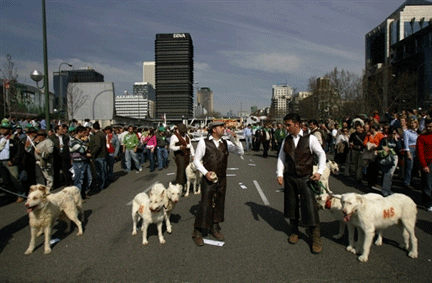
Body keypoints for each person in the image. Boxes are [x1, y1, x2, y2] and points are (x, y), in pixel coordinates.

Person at [276, 113, 326, 254]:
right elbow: (281, 157)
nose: (287, 128)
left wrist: (320, 171)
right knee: (291, 206)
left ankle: (316, 238)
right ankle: (294, 231)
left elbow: (321, 154)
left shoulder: (310, 139)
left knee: (310, 207)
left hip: (306, 178)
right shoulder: (286, 140)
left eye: (289, 125)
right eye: (286, 125)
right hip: (290, 177)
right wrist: (279, 173)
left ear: (297, 124)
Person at [192, 121, 244, 246]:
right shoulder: (203, 142)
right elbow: (196, 160)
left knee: (219, 202)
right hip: (208, 178)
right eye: (222, 127)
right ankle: (197, 231)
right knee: (205, 203)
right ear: (214, 129)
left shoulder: (225, 143)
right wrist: (206, 173)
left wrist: (236, 140)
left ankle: (214, 227)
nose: (224, 129)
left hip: (222, 177)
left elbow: (240, 152)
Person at [0, 120, 25, 202]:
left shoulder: (14, 139)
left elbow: (20, 151)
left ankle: (21, 194)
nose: (2, 130)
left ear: (9, 130)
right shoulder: (0, 139)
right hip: (1, 162)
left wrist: (13, 161)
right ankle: (10, 195)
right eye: (1, 128)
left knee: (15, 179)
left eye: (5, 128)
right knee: (6, 180)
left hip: (10, 162)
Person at [70, 126, 93, 199]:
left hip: (85, 161)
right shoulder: (73, 141)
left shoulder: (81, 141)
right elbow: (82, 150)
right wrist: (85, 142)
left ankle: (83, 193)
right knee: (79, 180)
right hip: (78, 162)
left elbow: (86, 149)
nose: (85, 134)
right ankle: (78, 197)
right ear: (79, 132)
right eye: (84, 132)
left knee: (88, 178)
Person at [416, 118, 432, 212]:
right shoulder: (421, 137)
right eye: (428, 126)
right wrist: (424, 165)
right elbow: (420, 152)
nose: (429, 128)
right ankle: (428, 203)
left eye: (431, 126)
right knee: (428, 184)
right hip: (428, 163)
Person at [89, 122, 108, 189]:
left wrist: (92, 153)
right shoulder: (102, 134)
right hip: (104, 154)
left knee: (100, 171)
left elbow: (98, 145)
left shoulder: (97, 135)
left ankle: (101, 185)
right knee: (104, 170)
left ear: (93, 128)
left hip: (99, 155)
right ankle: (104, 183)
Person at [403, 119, 419, 190]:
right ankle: (406, 183)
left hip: (417, 149)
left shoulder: (416, 132)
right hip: (410, 149)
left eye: (414, 123)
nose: (413, 125)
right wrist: (408, 153)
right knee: (409, 167)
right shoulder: (407, 132)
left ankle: (410, 180)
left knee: (415, 167)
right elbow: (406, 143)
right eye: (411, 123)